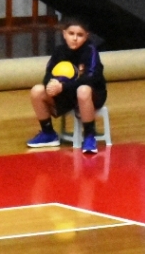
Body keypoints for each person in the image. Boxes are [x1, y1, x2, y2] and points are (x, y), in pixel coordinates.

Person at [26, 17, 106, 155]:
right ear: (64, 34)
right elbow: (48, 74)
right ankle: (48, 133)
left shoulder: (90, 51)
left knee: (83, 90)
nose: (75, 38)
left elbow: (90, 78)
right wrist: (51, 85)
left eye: (79, 35)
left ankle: (89, 136)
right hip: (67, 95)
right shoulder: (59, 51)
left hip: (92, 94)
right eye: (71, 34)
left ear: (86, 36)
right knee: (37, 90)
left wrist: (63, 87)